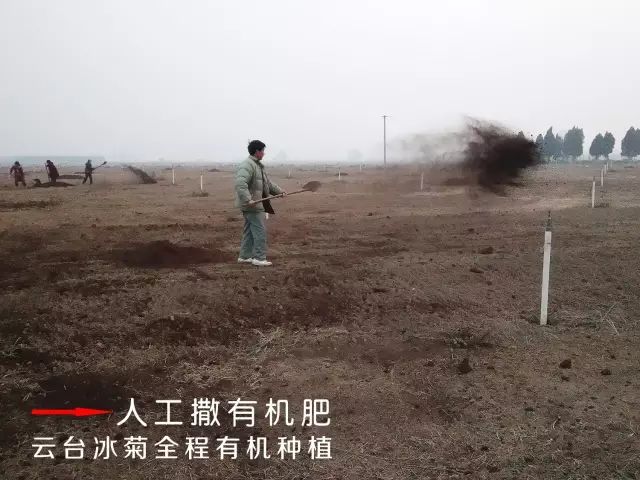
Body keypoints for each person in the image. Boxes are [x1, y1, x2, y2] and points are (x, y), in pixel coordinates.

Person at [234, 140, 287, 267]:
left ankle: (244, 256)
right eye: (262, 150)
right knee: (260, 232)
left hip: (254, 204)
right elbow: (240, 184)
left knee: (249, 232)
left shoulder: (257, 165)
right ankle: (259, 258)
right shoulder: (248, 165)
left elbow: (267, 184)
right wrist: (248, 199)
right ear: (257, 151)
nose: (264, 153)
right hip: (252, 205)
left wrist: (280, 191)